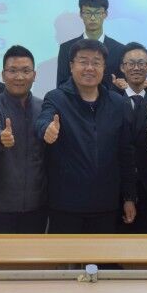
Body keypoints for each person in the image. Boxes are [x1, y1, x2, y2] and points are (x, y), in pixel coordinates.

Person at [37, 39, 136, 233]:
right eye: (83, 61)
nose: (89, 68)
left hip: (106, 204)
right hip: (65, 204)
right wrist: (46, 130)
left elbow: (126, 153)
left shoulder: (118, 103)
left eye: (96, 62)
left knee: (103, 253)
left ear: (104, 67)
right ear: (71, 66)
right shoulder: (56, 98)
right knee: (64, 252)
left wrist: (129, 197)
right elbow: (43, 120)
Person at [0, 45, 47, 234]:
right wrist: (1, 138)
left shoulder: (44, 107)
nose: (19, 77)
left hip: (36, 205)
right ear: (3, 74)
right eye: (13, 71)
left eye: (26, 71)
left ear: (34, 75)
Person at [117, 42, 147, 233]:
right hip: (115, 189)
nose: (136, 68)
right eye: (131, 63)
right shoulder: (110, 101)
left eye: (141, 63)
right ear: (122, 67)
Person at [55, 0, 125, 87]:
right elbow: (61, 85)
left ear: (105, 14)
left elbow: (123, 85)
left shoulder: (120, 50)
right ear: (81, 14)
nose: (92, 18)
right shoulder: (66, 48)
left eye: (98, 13)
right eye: (88, 13)